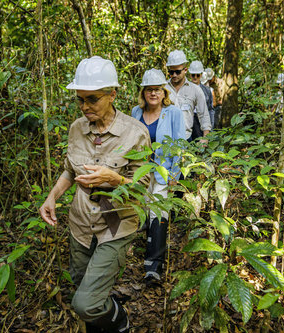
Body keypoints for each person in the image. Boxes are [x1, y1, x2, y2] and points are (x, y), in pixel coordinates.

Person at [39, 56, 151, 333]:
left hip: (116, 225)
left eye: (92, 99)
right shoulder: (77, 128)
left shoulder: (136, 133)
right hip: (80, 224)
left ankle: (119, 320)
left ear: (112, 94)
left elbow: (143, 185)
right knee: (80, 282)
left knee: (86, 304)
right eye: (80, 100)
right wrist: (52, 197)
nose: (85, 107)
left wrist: (116, 179)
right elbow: (68, 170)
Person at [131, 69, 187, 285]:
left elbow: (180, 144)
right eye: (149, 90)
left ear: (164, 92)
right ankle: (149, 249)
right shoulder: (136, 112)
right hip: (141, 171)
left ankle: (153, 266)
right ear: (143, 92)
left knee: (159, 213)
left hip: (164, 172)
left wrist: (176, 174)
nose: (153, 93)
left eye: (157, 90)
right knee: (145, 211)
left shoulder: (172, 113)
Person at [164, 50, 211, 141]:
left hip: (186, 138)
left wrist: (206, 137)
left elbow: (204, 114)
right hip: (165, 138)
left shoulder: (195, 90)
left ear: (185, 70)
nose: (174, 75)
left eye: (177, 72)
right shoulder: (163, 88)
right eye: (171, 72)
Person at [189, 60, 215, 131]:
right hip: (189, 121)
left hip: (202, 121)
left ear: (201, 75)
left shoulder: (207, 90)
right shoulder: (185, 89)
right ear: (190, 75)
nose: (195, 77)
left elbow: (210, 110)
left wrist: (210, 128)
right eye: (193, 75)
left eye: (197, 75)